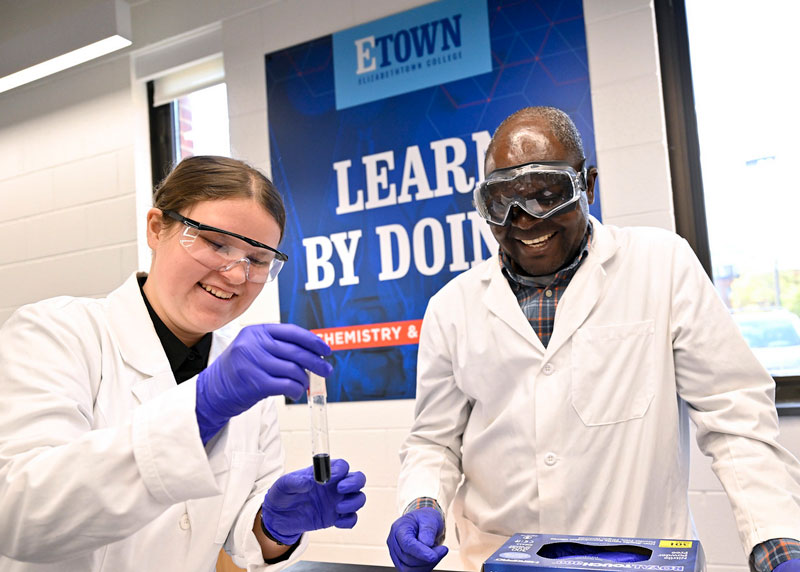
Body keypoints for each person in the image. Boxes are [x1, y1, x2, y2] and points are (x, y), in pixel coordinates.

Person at [386, 107, 800, 572]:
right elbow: (434, 442)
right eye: (503, 201)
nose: (524, 219)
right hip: (497, 560)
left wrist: (775, 540)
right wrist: (421, 502)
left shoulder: (662, 265)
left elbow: (735, 418)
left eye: (547, 194)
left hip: (640, 560)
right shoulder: (451, 306)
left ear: (589, 184)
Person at [0, 155, 366, 571]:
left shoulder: (248, 377)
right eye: (216, 243)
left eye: (258, 259)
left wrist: (274, 527)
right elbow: (18, 514)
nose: (234, 274)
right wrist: (201, 409)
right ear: (157, 228)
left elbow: (235, 536)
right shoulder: (55, 333)